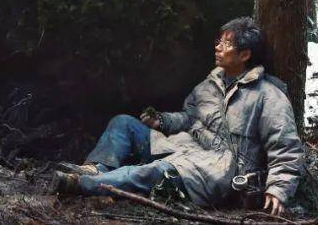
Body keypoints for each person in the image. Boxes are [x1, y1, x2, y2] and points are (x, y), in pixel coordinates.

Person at [53, 17, 304, 216]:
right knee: (123, 123)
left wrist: (278, 189)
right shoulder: (209, 85)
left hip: (216, 170)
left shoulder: (268, 96)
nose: (217, 47)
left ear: (245, 55)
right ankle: (98, 169)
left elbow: (285, 146)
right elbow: (188, 118)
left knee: (151, 172)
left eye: (226, 44)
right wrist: (161, 121)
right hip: (184, 148)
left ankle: (81, 185)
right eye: (218, 41)